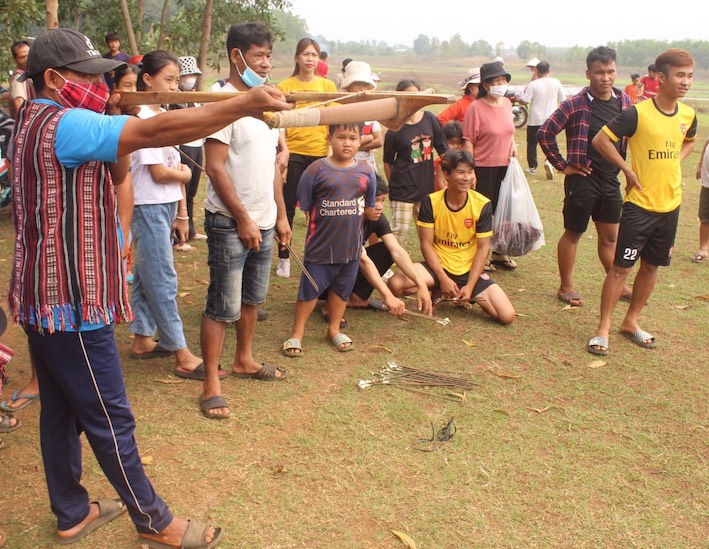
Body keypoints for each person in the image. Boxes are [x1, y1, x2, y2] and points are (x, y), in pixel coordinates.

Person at [9, 27, 289, 548]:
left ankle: (71, 511)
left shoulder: (28, 118)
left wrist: (116, 116)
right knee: (110, 414)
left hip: (39, 295)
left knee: (62, 411)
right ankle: (154, 520)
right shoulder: (66, 124)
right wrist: (241, 103)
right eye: (86, 76)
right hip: (71, 299)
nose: (100, 85)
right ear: (53, 79)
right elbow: (156, 134)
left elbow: (116, 166)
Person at [199, 21, 290, 420]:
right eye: (258, 55)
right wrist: (243, 219)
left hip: (266, 219)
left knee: (253, 298)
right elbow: (215, 167)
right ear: (237, 56)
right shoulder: (222, 101)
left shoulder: (267, 99)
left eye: (269, 55)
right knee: (222, 304)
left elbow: (272, 164)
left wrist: (280, 215)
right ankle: (211, 383)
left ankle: (245, 360)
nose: (266, 62)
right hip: (229, 221)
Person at [587, 49, 697, 356]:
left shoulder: (688, 115)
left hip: (671, 205)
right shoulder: (637, 113)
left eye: (689, 75)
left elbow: (689, 140)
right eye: (680, 75)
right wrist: (626, 168)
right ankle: (603, 328)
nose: (685, 82)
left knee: (651, 267)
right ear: (660, 78)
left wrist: (677, 159)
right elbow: (601, 140)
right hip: (639, 206)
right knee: (621, 269)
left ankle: (631, 322)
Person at [129, 50, 209, 380]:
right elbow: (162, 172)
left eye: (178, 80)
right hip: (147, 204)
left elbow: (170, 169)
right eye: (169, 80)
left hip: (161, 204)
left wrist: (181, 213)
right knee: (162, 276)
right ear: (147, 79)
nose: (175, 86)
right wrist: (187, 177)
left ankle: (143, 338)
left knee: (148, 273)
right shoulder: (143, 119)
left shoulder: (162, 112)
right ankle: (182, 352)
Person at [538, 46, 634, 308]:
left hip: (610, 179)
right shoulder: (575, 104)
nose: (606, 77)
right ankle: (566, 286)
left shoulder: (625, 102)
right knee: (574, 232)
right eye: (600, 72)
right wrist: (563, 165)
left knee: (611, 237)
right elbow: (545, 132)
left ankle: (618, 282)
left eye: (611, 71)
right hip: (582, 178)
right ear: (588, 73)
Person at [388, 149, 516, 324]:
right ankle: (440, 288)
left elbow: (483, 248)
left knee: (506, 316)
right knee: (396, 284)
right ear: (446, 174)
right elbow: (426, 244)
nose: (466, 178)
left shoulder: (482, 204)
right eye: (461, 172)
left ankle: (461, 292)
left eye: (470, 172)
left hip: (468, 271)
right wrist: (443, 279)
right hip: (437, 268)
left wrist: (470, 286)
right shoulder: (431, 202)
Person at [282, 123, 376, 357]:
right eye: (341, 137)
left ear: (360, 141)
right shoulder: (315, 170)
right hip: (321, 246)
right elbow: (306, 208)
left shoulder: (366, 171)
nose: (347, 143)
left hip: (351, 247)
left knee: (342, 289)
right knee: (310, 290)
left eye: (353, 138)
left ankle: (333, 329)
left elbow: (369, 207)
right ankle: (297, 333)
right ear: (329, 138)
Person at [276, 38, 338, 278]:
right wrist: (283, 149)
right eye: (305, 54)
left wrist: (331, 152)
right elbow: (279, 122)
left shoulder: (328, 87)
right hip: (293, 154)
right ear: (297, 58)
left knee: (320, 209)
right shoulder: (285, 86)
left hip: (319, 154)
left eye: (314, 54)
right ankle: (284, 257)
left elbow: (333, 121)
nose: (310, 59)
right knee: (288, 207)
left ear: (319, 59)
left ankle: (317, 258)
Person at [339, 178, 433, 316]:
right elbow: (363, 260)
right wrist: (388, 295)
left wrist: (420, 282)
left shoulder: (377, 218)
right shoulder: (347, 219)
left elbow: (397, 251)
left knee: (387, 250)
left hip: (349, 268)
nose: (380, 206)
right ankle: (333, 303)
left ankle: (357, 298)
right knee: (355, 258)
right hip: (323, 280)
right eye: (375, 200)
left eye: (383, 200)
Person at [462, 61, 517, 271]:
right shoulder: (476, 108)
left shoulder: (507, 104)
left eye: (503, 80)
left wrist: (513, 146)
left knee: (504, 212)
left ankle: (499, 253)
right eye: (496, 81)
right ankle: (480, 257)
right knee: (484, 213)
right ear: (486, 85)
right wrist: (470, 171)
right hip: (483, 168)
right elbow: (468, 141)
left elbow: (509, 132)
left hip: (506, 167)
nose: (500, 84)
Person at [383, 79, 448, 245]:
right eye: (406, 96)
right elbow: (388, 162)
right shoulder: (394, 128)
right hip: (402, 189)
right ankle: (382, 267)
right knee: (399, 232)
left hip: (425, 188)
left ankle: (432, 265)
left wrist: (444, 176)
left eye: (415, 95)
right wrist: (395, 186)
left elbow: (444, 151)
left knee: (428, 232)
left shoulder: (430, 119)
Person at [172, 55, 207, 243]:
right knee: (181, 191)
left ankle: (191, 230)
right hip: (182, 146)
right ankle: (179, 237)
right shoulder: (175, 101)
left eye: (193, 75)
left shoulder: (195, 98)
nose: (190, 78)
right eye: (188, 75)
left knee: (192, 191)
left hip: (197, 145)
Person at [517, 61, 565, 178]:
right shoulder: (556, 82)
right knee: (551, 142)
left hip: (535, 119)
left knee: (532, 143)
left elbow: (526, 101)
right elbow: (563, 100)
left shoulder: (534, 84)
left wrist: (518, 99)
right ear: (549, 71)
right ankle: (549, 161)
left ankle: (532, 167)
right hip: (551, 119)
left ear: (537, 71)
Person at [341, 61, 383, 174]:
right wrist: (368, 138)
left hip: (368, 168)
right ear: (348, 87)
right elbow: (339, 144)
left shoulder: (371, 115)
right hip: (346, 168)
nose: (361, 88)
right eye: (357, 84)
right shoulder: (342, 114)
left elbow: (379, 141)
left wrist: (352, 148)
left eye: (365, 85)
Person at [693, 137, 709, 263]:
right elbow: (707, 141)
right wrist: (700, 165)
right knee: (705, 216)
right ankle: (703, 249)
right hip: (707, 181)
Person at [435, 120, 463, 190]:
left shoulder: (461, 160)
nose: (456, 146)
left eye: (459, 143)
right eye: (452, 143)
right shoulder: (442, 161)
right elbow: (440, 183)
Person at [9, 40, 34, 118]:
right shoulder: (19, 77)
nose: (26, 59)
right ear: (15, 59)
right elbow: (19, 103)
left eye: (28, 55)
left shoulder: (30, 73)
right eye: (22, 57)